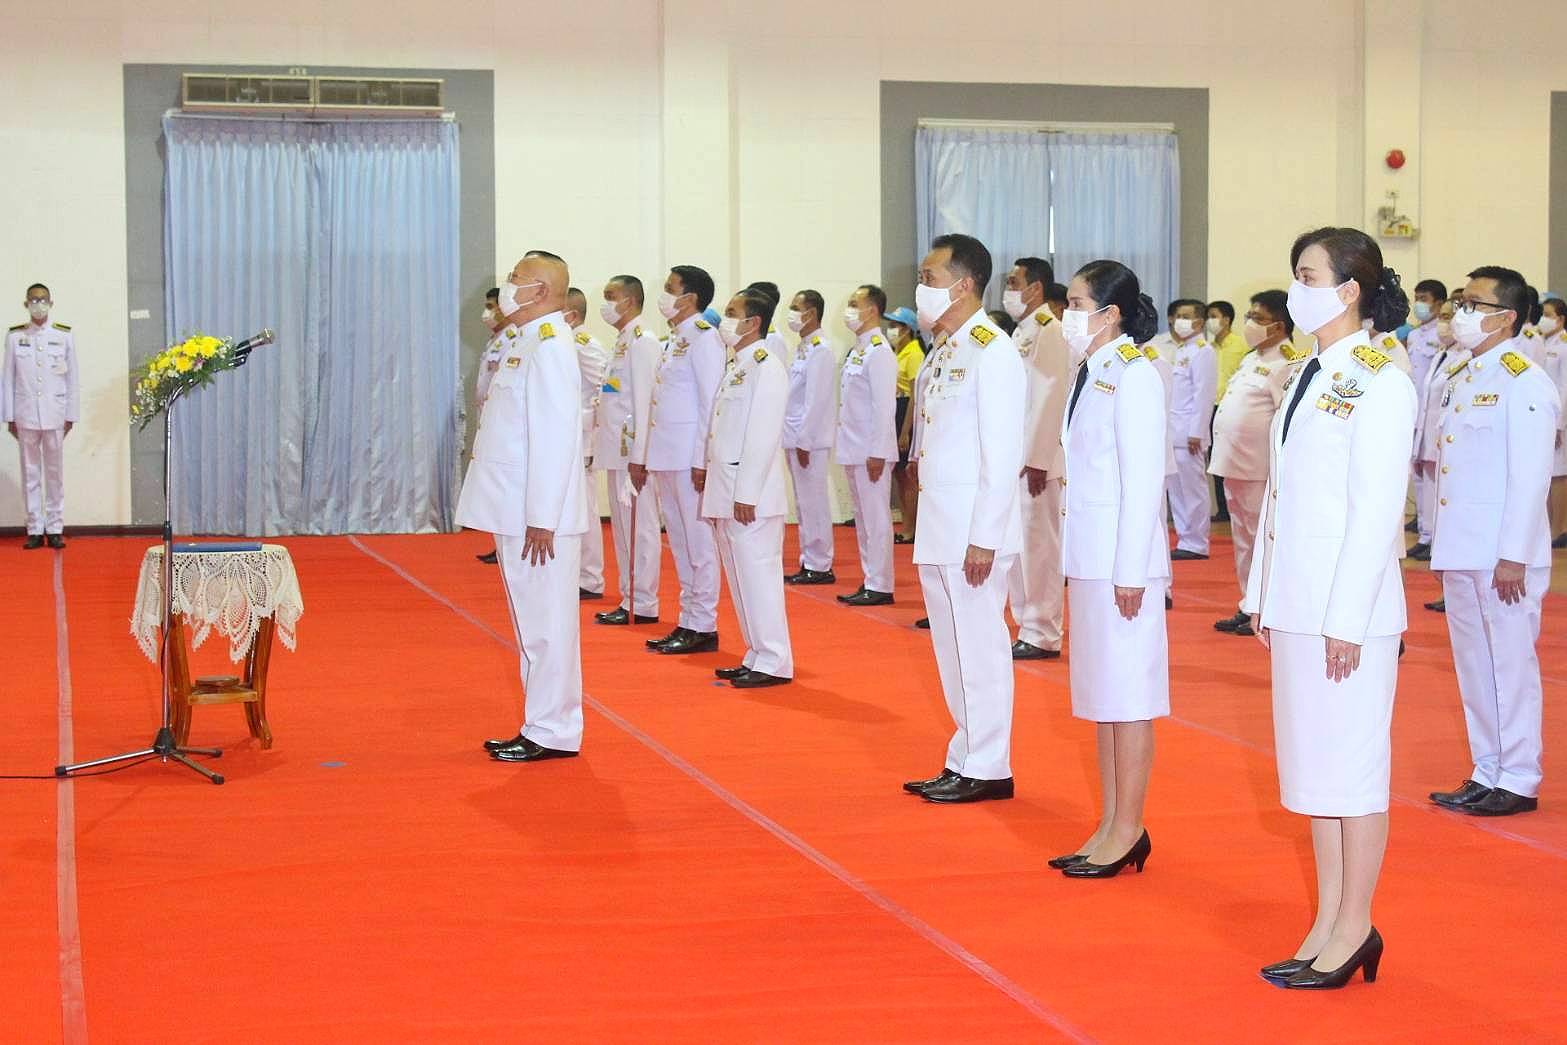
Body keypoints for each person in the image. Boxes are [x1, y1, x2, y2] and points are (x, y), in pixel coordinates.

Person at [1246, 227, 1415, 989]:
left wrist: (1346, 617)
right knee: (1315, 774)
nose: (1295, 287)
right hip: (1297, 599)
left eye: (1307, 274)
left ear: (1348, 290)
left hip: (1348, 613)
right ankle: (1323, 919)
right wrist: (1261, 590)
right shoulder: (1309, 369)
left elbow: (1376, 508)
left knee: (1351, 772)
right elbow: (1282, 497)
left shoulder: (1382, 375)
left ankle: (1355, 924)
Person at [900, 233, 1025, 804]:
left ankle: (990, 763)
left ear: (964, 283)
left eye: (929, 277)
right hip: (942, 524)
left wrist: (984, 537)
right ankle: (965, 754)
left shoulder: (991, 349)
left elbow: (1002, 455)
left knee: (979, 648)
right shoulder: (949, 348)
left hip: (974, 530)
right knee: (952, 648)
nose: (920, 287)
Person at [1427, 266, 1557, 818]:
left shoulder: (1522, 380)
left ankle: (1520, 776)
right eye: (1462, 301)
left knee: (1509, 665)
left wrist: (1514, 555)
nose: (1462, 312)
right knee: (1475, 665)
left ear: (1505, 317)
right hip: (1463, 547)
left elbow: (1531, 479)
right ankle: (1487, 769)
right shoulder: (1467, 374)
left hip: (1502, 553)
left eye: (1474, 304)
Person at [1054, 260, 1168, 877]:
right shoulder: (1090, 369)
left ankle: (1129, 827)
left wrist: (1130, 570)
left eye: (1076, 302)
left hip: (1124, 564)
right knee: (1103, 698)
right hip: (1091, 555)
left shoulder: (1134, 375)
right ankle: (1108, 821)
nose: (1066, 313)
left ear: (1110, 313)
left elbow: (1144, 479)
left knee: (1130, 697)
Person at [462, 255, 590, 763]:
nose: (507, 285)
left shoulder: (553, 346)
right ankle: (540, 722)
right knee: (532, 623)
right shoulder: (525, 340)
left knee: (547, 625)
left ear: (539, 289)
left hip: (538, 516)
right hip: (518, 509)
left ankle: (553, 728)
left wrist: (543, 517)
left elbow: (556, 437)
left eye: (516, 277)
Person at [634, 266, 726, 654]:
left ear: (689, 298)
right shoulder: (677, 340)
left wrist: (702, 458)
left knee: (698, 542)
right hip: (667, 455)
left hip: (689, 456)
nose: (665, 295)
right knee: (682, 543)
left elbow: (710, 402)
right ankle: (688, 619)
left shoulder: (705, 339)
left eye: (670, 289)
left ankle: (704, 623)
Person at [704, 288, 794, 688]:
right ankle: (756, 652)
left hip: (750, 496)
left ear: (753, 322)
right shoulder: (738, 365)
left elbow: (762, 433)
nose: (724, 319)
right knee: (741, 579)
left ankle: (774, 659)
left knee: (759, 578)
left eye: (731, 312)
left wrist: (746, 494)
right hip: (729, 490)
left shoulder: (765, 365)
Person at [1210, 291, 1300, 636]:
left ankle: (1264, 605)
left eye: (1258, 318)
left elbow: (1285, 421)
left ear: (1279, 326)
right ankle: (1249, 601)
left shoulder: (1287, 362)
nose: (1249, 323)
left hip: (1259, 467)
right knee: (1243, 538)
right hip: (1234, 464)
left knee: (1262, 538)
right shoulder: (1252, 358)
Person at [1002, 257, 1069, 660]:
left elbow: (1050, 395)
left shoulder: (1050, 330)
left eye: (1014, 281)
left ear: (1036, 288)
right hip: (1017, 457)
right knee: (1019, 547)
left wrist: (1038, 458)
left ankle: (1042, 630)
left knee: (1039, 548)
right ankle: (1026, 624)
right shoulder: (1023, 330)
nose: (1008, 288)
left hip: (1036, 460)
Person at [593, 275, 664, 627]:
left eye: (611, 296)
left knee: (641, 527)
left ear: (631, 300)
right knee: (623, 529)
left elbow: (645, 403)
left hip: (632, 453)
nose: (605, 303)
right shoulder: (623, 341)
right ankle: (630, 597)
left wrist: (641, 456)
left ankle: (644, 602)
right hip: (615, 450)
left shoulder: (643, 341)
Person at [835, 285, 898, 606]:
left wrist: (878, 451)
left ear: (872, 310)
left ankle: (881, 583)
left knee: (876, 519)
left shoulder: (879, 350)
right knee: (862, 519)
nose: (848, 309)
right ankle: (869, 578)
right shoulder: (859, 349)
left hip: (871, 451)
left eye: (853, 303)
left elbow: (884, 407)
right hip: (853, 446)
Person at [3, 284, 77, 550]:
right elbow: (8, 379)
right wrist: (9, 416)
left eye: (42, 299)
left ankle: (55, 528)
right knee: (30, 473)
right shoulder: (15, 337)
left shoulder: (63, 336)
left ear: (50, 302)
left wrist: (71, 414)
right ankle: (34, 528)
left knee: (55, 474)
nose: (38, 304)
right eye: (33, 300)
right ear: (26, 304)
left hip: (55, 414)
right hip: (25, 416)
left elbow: (72, 377)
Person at [781, 289, 838, 584]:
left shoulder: (821, 349)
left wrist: (804, 439)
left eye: (795, 307)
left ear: (811, 313)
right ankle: (809, 559)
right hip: (794, 435)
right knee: (804, 503)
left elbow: (816, 401)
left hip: (810, 440)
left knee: (814, 502)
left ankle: (820, 563)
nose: (790, 313)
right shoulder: (804, 347)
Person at [1412, 300, 1466, 613]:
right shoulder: (1442, 355)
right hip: (1429, 442)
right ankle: (1447, 587)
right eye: (1441, 317)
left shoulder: (1466, 359)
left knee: (1447, 519)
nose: (1443, 323)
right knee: (1434, 513)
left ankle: (1453, 590)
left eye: (1448, 317)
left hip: (1445, 449)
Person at [1154, 299, 1217, 559]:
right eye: (1177, 315)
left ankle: (1197, 543)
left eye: (1186, 315)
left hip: (1189, 433)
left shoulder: (1203, 351)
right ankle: (1185, 539)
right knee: (1178, 491)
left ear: (1199, 322)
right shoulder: (1182, 351)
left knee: (1193, 490)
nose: (1179, 320)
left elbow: (1204, 394)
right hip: (1174, 431)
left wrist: (1197, 432)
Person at [566, 287, 611, 601]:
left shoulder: (584, 344)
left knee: (586, 510)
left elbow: (608, 386)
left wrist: (585, 418)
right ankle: (576, 574)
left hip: (581, 438)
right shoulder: (561, 342)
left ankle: (590, 578)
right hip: (567, 439)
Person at [1403, 279, 1450, 554]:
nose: (1419, 303)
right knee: (1418, 475)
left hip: (1434, 414)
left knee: (1434, 478)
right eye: (1417, 297)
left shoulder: (1444, 335)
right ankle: (1424, 532)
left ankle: (1433, 537)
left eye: (1425, 298)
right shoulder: (1415, 335)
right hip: (1417, 411)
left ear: (1439, 302)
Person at [887, 306, 925, 544]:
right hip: (894, 408)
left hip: (904, 412)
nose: (892, 330)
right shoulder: (897, 352)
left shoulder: (914, 353)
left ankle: (911, 529)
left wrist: (905, 431)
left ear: (908, 329)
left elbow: (914, 395)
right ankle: (906, 525)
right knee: (899, 476)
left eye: (897, 326)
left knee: (907, 478)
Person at [1206, 300, 1247, 523]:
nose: (1210, 320)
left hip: (1232, 408)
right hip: (1211, 408)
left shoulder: (1240, 346)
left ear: (1227, 319)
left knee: (1232, 457)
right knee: (1216, 458)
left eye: (1214, 315)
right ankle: (1221, 509)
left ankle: (1234, 508)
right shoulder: (1208, 347)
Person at [1539, 296, 1567, 547]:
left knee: (1559, 473)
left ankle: (1560, 528)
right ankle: (1549, 525)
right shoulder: (1545, 341)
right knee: (1547, 470)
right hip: (1546, 414)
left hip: (1560, 417)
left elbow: (1564, 386)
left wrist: (1559, 423)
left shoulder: (1564, 345)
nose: (1544, 319)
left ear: (1560, 319)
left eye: (1548, 315)